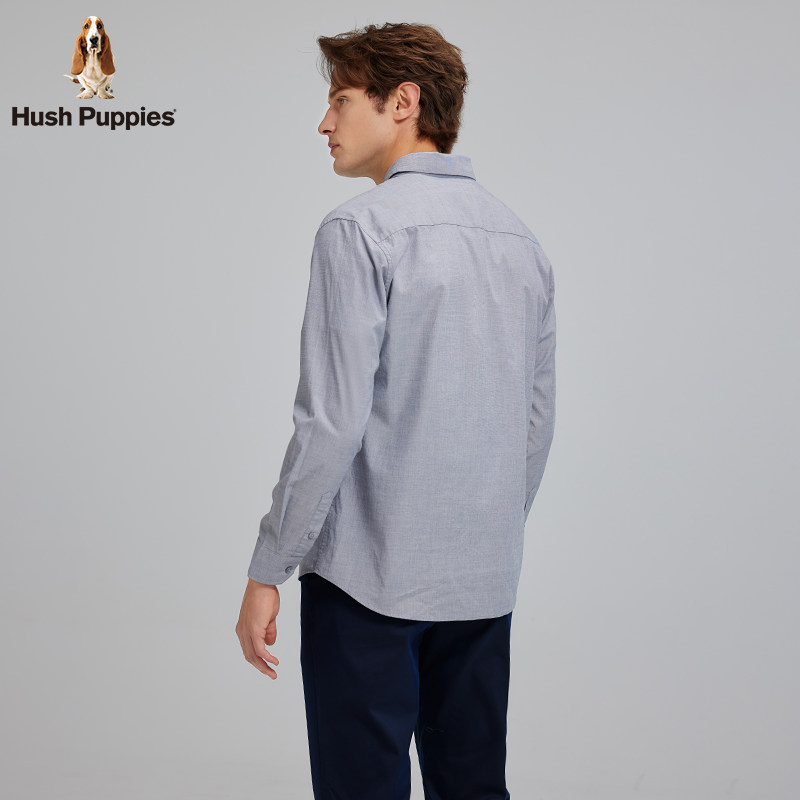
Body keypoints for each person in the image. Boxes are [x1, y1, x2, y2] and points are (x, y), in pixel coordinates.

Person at [235, 21, 556, 800]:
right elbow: (536, 421)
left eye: (341, 100)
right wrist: (488, 531)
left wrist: (270, 565)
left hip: (365, 581)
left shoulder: (358, 230)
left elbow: (330, 421)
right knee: (473, 785)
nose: (324, 123)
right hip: (483, 581)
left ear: (403, 102)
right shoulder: (520, 241)